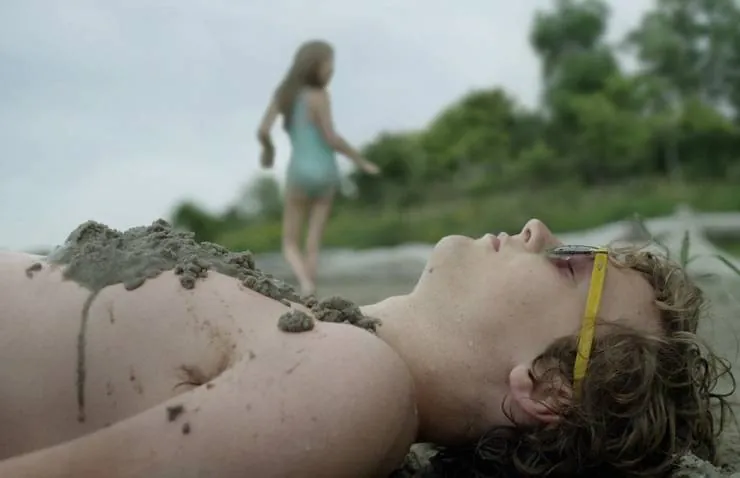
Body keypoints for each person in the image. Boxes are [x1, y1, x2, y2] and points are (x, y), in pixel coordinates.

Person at [0, 217, 733, 478]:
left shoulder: (357, 385)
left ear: (548, 389)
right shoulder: (322, 342)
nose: (539, 230)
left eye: (575, 263)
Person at [257, 39, 380, 297]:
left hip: (299, 172)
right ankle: (311, 291)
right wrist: (360, 161)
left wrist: (268, 151)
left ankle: (306, 284)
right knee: (313, 242)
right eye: (329, 63)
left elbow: (263, 130)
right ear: (315, 65)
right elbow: (331, 138)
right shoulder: (319, 96)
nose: (331, 69)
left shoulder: (284, 95)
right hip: (326, 171)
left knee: (290, 242)